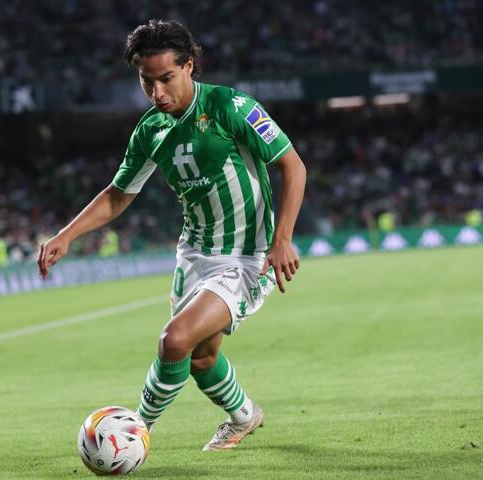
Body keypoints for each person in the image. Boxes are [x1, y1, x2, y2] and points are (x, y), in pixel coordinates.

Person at [38, 19, 306, 451]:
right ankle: (244, 416)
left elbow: (293, 165)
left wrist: (283, 239)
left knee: (174, 340)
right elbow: (118, 194)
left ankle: (132, 432)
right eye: (147, 82)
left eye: (166, 78)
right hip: (194, 255)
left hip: (246, 257)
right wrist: (66, 235)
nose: (157, 92)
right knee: (202, 358)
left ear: (189, 66)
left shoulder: (231, 106)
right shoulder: (150, 130)